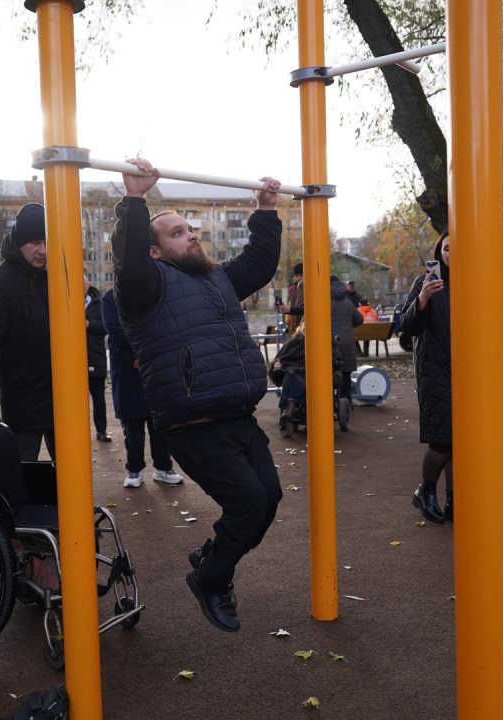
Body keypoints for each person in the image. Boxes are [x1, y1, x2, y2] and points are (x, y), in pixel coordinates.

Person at [112, 157, 283, 633]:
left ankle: (212, 554)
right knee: (249, 501)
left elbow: (260, 262)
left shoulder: (218, 277)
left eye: (190, 229)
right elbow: (126, 264)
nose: (190, 235)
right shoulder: (143, 288)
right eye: (176, 232)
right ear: (154, 251)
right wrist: (133, 200)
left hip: (237, 415)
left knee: (268, 498)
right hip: (193, 423)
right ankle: (211, 577)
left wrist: (265, 210)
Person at [0, 202, 55, 461]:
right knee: (23, 478)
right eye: (35, 242)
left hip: (64, 399)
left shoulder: (58, 277)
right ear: (19, 242)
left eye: (48, 242)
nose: (43, 251)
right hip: (24, 401)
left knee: (71, 477)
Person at [101, 287, 185, 488]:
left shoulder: (153, 292)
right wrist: (143, 349)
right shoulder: (110, 298)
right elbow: (115, 329)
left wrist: (148, 352)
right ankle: (134, 469)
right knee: (132, 423)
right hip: (127, 367)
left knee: (159, 421)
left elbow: (164, 324)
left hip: (154, 363)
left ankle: (163, 467)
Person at [399, 233, 453, 524]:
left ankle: (455, 499)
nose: (451, 253)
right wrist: (422, 299)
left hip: (467, 371)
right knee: (443, 438)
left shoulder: (476, 280)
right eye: (446, 248)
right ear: (439, 252)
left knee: (462, 439)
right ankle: (427, 491)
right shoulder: (426, 282)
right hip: (435, 370)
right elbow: (407, 326)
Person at [85, 281, 111, 443]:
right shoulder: (64, 300)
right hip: (72, 362)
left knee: (99, 398)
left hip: (95, 358)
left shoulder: (98, 304)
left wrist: (89, 324)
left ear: (87, 286)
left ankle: (101, 430)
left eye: (82, 285)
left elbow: (106, 326)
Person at [278, 262, 305, 334]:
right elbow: (292, 309)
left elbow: (307, 310)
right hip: (293, 330)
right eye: (297, 276)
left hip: (303, 329)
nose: (299, 278)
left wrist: (290, 309)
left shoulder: (310, 289)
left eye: (301, 275)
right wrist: (284, 309)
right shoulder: (293, 289)